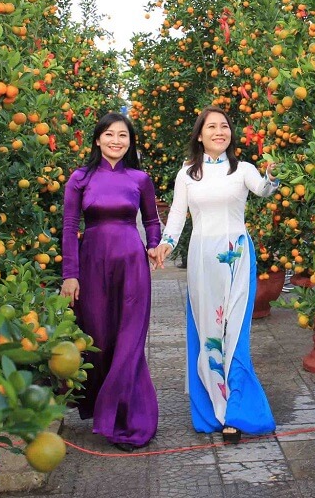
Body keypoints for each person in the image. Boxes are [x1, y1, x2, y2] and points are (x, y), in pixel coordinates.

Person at [154, 106, 278, 444]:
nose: (219, 132)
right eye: (212, 127)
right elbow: (178, 214)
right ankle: (214, 409)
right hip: (201, 260)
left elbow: (265, 190)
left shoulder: (242, 170)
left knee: (234, 332)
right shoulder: (187, 174)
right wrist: (165, 244)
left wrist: (273, 175)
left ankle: (237, 412)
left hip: (237, 258)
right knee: (207, 332)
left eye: (224, 126)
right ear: (199, 134)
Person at [60, 112, 162, 452]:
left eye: (123, 135)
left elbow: (151, 219)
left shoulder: (140, 178)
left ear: (130, 142)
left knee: (129, 339)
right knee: (99, 338)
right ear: (97, 139)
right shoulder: (79, 178)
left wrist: (153, 245)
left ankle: (131, 419)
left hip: (132, 264)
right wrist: (69, 275)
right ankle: (103, 409)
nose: (116, 141)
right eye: (109, 134)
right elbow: (70, 227)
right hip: (91, 265)